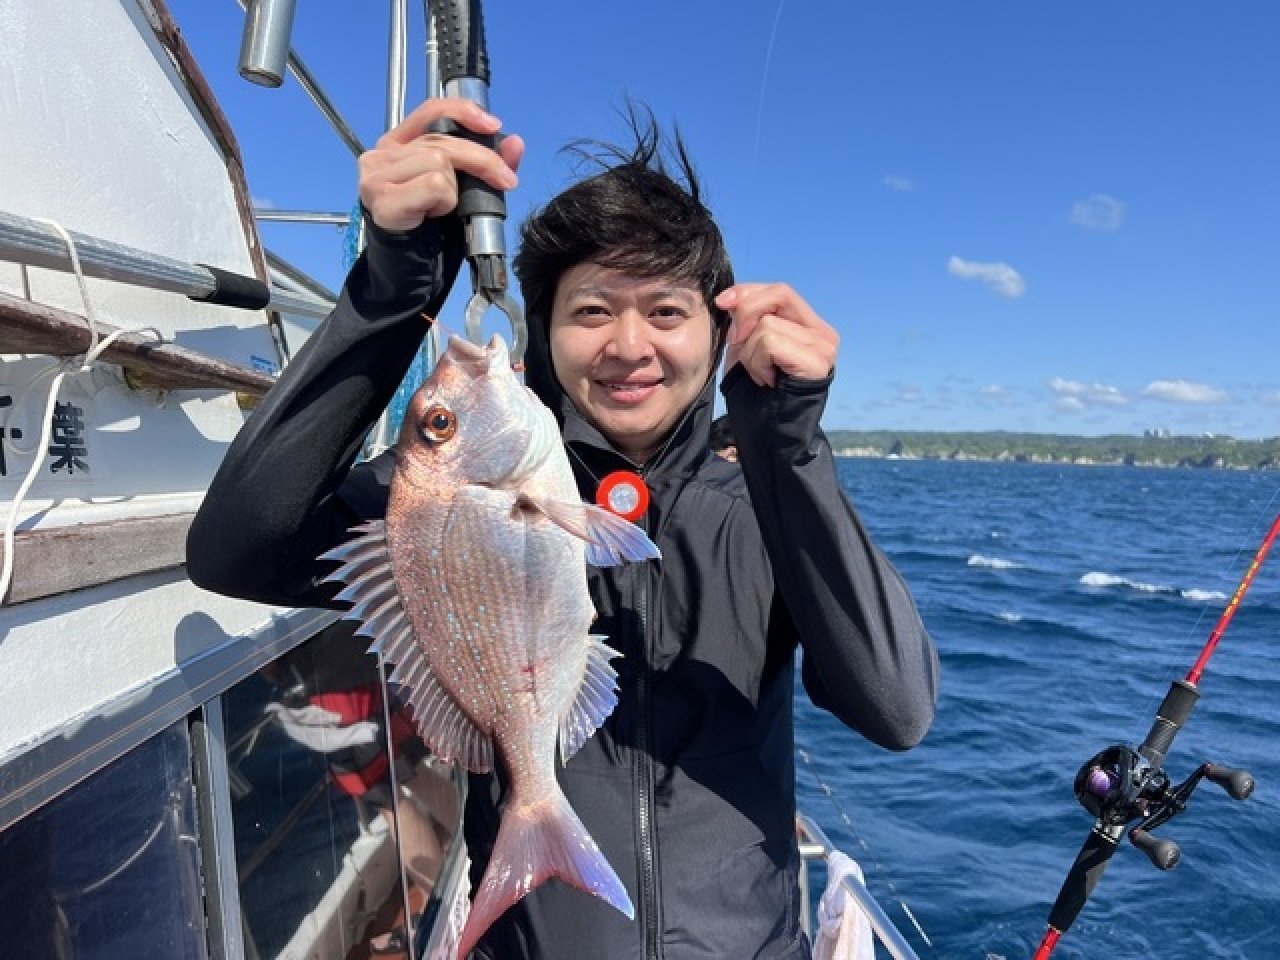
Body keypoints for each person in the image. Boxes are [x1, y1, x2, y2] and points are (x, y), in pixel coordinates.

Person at [187, 96, 938, 960]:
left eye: (665, 311)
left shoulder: (762, 502)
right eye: (590, 311)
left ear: (718, 331)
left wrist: (788, 445)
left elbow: (897, 710)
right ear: (539, 331)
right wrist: (389, 295)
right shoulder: (441, 490)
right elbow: (238, 550)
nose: (628, 345)